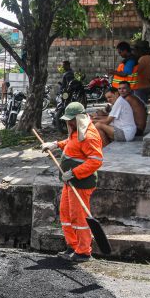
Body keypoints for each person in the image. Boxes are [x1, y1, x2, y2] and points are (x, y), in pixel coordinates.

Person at [40, 102, 103, 263]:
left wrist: (75, 173)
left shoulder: (90, 136)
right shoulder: (77, 132)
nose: (68, 123)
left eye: (71, 120)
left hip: (81, 183)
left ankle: (83, 251)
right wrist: (55, 145)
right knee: (66, 213)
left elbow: (96, 161)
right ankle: (72, 246)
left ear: (80, 118)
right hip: (70, 182)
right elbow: (71, 143)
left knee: (79, 217)